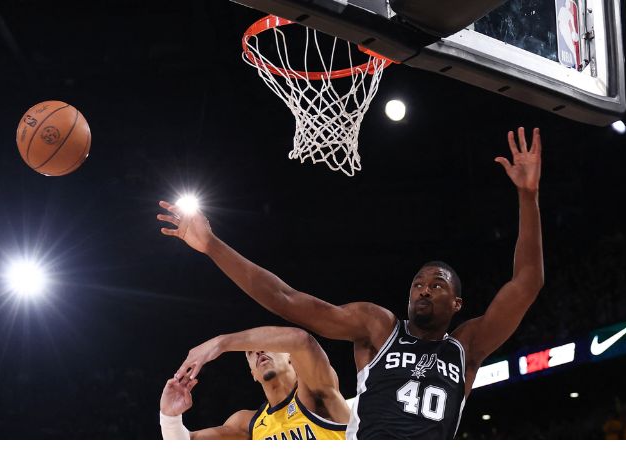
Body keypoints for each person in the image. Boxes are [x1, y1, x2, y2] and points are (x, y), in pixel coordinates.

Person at [158, 127, 544, 439]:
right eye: (417, 283)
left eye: (437, 284)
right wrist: (212, 246)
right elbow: (286, 299)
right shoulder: (378, 328)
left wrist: (528, 196)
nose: (423, 288)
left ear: (457, 303)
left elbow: (527, 284)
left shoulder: (467, 347)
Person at [159, 326, 349, 440]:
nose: (258, 351)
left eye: (268, 346)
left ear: (291, 357)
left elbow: (302, 341)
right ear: (253, 374)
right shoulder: (247, 424)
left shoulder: (316, 391)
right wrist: (170, 417)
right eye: (250, 352)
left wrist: (222, 343)